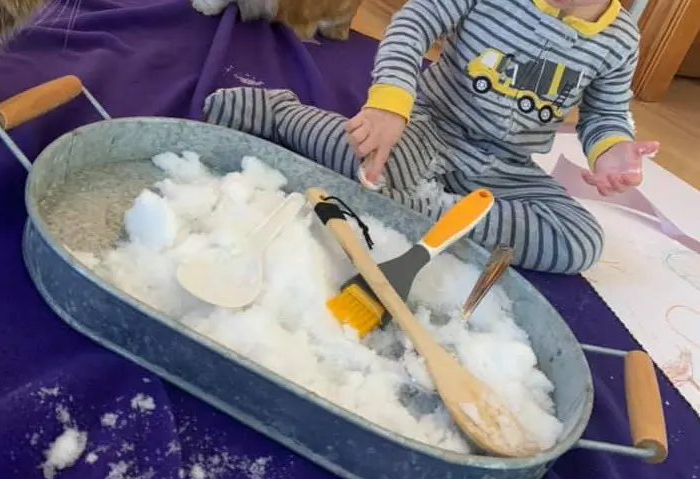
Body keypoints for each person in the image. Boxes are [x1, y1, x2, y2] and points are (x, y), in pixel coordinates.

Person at [203, 0, 659, 274]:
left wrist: (612, 152)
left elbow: (605, 112)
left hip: (508, 167)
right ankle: (283, 113)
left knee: (581, 240)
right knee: (367, 157)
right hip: (431, 126)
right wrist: (390, 101)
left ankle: (432, 210)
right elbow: (413, 21)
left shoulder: (620, 39)